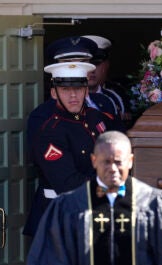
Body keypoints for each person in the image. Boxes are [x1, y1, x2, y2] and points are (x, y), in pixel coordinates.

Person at [25, 131, 162, 265]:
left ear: (131, 161)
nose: (113, 168)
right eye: (105, 162)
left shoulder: (155, 204)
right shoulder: (68, 207)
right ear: (94, 161)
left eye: (118, 162)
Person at [23, 61, 121, 237]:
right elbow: (68, 184)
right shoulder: (50, 132)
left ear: (86, 90)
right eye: (65, 90)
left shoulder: (96, 118)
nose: (73, 95)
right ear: (54, 93)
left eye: (78, 89)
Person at [82, 35, 133, 126]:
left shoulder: (116, 97)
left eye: (96, 63)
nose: (91, 70)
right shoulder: (68, 99)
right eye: (86, 65)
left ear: (106, 65)